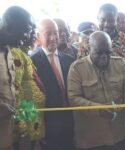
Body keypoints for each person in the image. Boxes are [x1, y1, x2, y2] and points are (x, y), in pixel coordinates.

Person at [68, 31, 125, 150]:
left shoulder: (120, 64)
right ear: (90, 49)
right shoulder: (77, 69)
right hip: (91, 140)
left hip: (119, 136)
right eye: (99, 53)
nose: (104, 56)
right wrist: (98, 109)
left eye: (108, 52)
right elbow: (73, 99)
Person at [31, 18, 75, 150]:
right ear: (38, 36)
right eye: (48, 33)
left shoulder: (69, 60)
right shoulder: (31, 62)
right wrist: (36, 132)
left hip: (70, 125)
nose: (53, 37)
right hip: (47, 128)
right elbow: (30, 100)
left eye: (55, 33)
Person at [0, 6, 37, 150]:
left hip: (7, 137)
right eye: (26, 30)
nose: (28, 36)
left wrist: (27, 129)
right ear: (9, 27)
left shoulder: (9, 51)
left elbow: (21, 93)